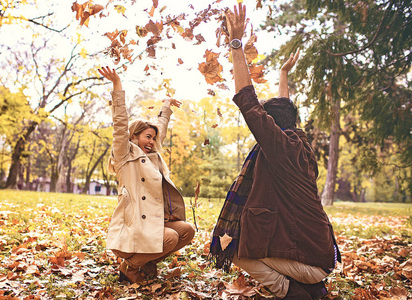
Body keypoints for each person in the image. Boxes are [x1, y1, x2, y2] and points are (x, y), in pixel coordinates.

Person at [209, 3, 341, 300]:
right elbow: (285, 110)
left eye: (268, 121)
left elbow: (247, 101)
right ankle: (310, 284)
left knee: (229, 245)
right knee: (244, 241)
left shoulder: (279, 147)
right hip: (321, 254)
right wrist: (283, 73)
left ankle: (293, 291)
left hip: (312, 261)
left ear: (273, 126)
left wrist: (236, 43)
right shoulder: (299, 144)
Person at [98, 66, 195, 283]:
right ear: (134, 136)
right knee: (169, 237)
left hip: (153, 221)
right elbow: (119, 124)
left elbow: (160, 129)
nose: (151, 142)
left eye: (153, 138)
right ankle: (130, 265)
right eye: (147, 137)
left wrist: (166, 106)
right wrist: (117, 86)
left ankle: (147, 261)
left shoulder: (153, 158)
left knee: (187, 230)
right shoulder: (124, 155)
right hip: (133, 226)